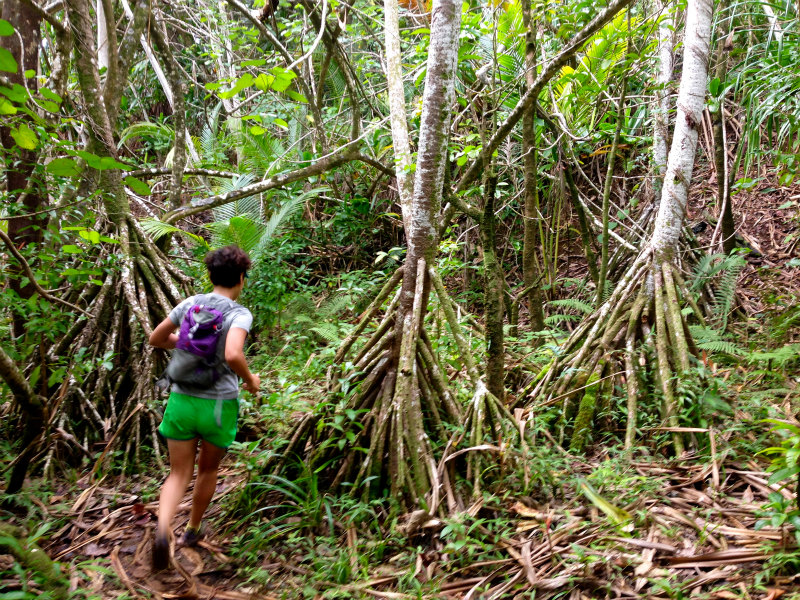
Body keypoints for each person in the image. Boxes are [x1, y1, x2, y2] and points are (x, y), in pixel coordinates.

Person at [148, 245, 261, 570]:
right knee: (207, 470)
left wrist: (180, 343)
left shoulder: (189, 304)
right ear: (240, 277)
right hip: (218, 407)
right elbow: (232, 355)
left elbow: (157, 338)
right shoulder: (239, 314)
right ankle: (193, 529)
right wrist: (251, 380)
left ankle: (162, 528)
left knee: (178, 472)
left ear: (210, 275)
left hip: (182, 400)